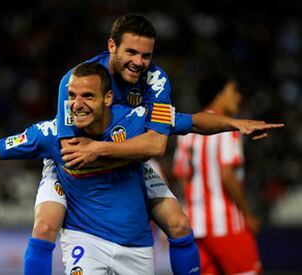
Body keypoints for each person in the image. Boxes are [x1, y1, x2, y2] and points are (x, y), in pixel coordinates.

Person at [29, 13, 282, 275]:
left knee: (179, 223)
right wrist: (126, 146)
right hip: (75, 168)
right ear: (112, 46)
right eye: (132, 52)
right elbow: (74, 151)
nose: (139, 62)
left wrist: (234, 123)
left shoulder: (156, 80)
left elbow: (160, 143)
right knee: (45, 227)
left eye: (146, 55)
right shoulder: (76, 81)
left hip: (124, 160)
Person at [0, 63, 183, 274]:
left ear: (108, 99)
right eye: (71, 96)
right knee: (45, 226)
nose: (76, 104)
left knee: (179, 224)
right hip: (84, 236)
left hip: (133, 241)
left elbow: (188, 121)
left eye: (87, 96)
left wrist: (228, 123)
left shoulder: (134, 121)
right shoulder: (50, 134)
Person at [173, 73, 264, 274]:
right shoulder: (228, 127)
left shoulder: (187, 130)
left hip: (195, 225)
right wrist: (248, 214)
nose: (238, 97)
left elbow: (181, 175)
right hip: (226, 224)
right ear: (219, 94)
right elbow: (227, 175)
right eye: (233, 91)